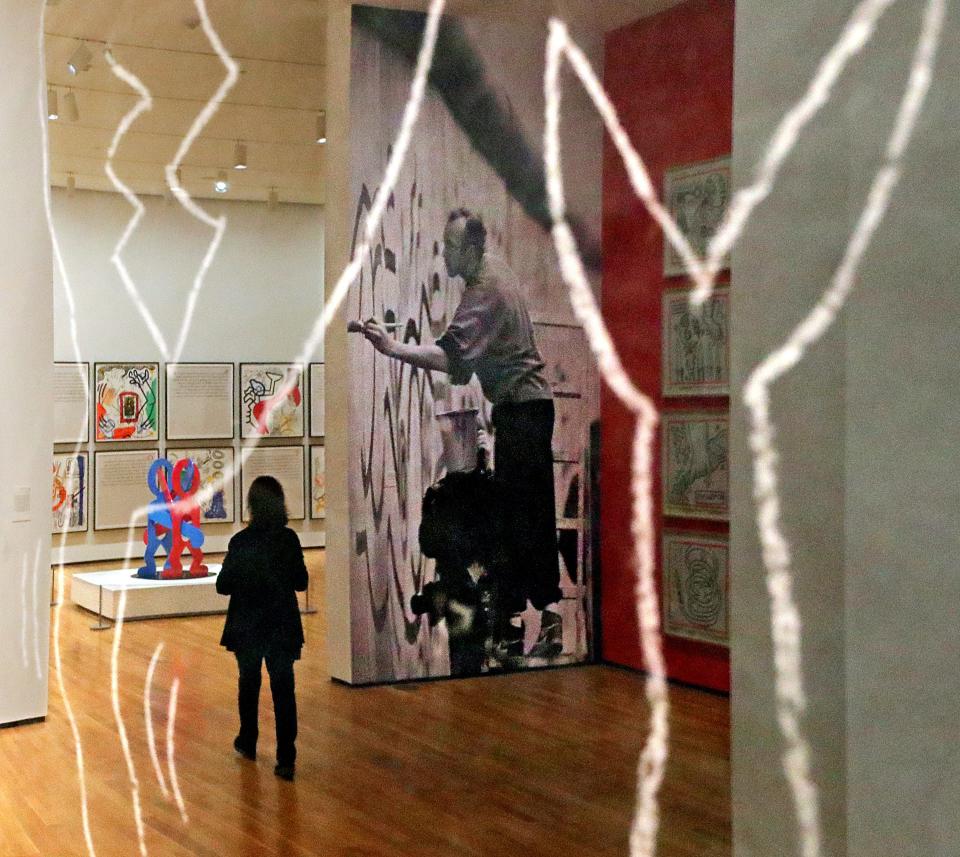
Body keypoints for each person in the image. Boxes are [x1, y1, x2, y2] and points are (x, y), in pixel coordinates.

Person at [361, 207, 563, 663]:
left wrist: (392, 348)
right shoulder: (493, 273)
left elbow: (451, 359)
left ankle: (535, 621)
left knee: (522, 517)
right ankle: (524, 621)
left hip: (522, 410)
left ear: (471, 249)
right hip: (523, 409)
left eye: (451, 245)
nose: (444, 252)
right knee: (523, 513)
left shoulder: (486, 289)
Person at [216, 475, 308, 781]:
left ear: (252, 505)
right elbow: (301, 581)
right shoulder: (289, 540)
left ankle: (248, 739)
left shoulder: (240, 542)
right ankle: (285, 757)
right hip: (281, 624)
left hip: (248, 625)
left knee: (249, 683)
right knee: (284, 690)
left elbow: (223, 585)